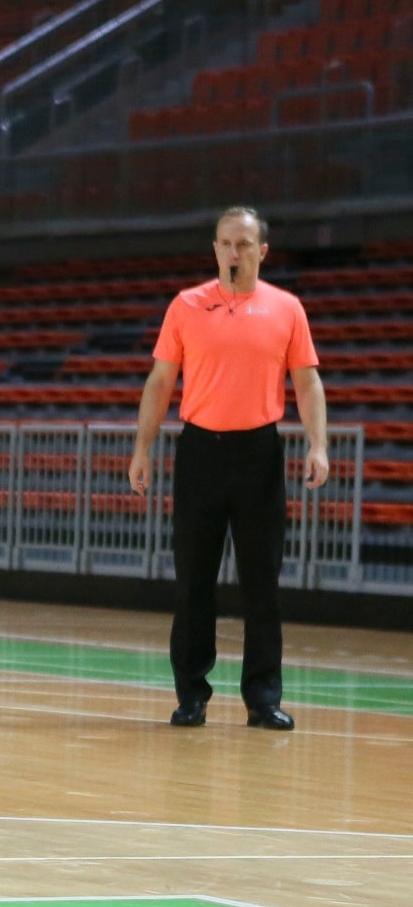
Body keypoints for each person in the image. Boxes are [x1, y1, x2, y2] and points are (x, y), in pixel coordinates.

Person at [129, 206, 326, 732]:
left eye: (243, 244)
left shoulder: (286, 309)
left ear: (262, 251)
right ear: (214, 249)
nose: (233, 253)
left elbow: (307, 382)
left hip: (259, 453)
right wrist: (142, 448)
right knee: (194, 578)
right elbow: (160, 381)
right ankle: (191, 696)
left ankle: (263, 699)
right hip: (201, 452)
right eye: (225, 243)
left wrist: (319, 444)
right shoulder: (186, 306)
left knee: (262, 581)